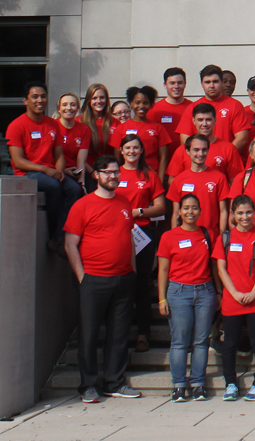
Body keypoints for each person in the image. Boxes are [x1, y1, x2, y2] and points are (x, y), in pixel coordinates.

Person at [62, 155, 141, 403]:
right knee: (89, 334)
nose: (113, 176)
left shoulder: (125, 203)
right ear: (96, 175)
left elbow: (128, 239)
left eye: (116, 172)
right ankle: (88, 384)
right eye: (107, 172)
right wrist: (83, 278)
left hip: (123, 278)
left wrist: (133, 271)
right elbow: (70, 244)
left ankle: (114, 382)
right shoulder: (82, 205)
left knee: (119, 334)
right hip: (94, 280)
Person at [214, 195, 255, 402]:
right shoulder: (225, 238)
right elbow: (221, 269)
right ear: (232, 215)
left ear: (254, 212)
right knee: (230, 343)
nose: (245, 216)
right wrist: (235, 293)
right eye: (240, 213)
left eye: (249, 212)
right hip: (233, 299)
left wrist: (253, 292)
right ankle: (230, 383)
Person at [157, 193, 217, 402]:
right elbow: (163, 270)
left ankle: (199, 384)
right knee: (180, 341)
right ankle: (179, 385)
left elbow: (215, 266)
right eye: (186, 208)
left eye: (194, 208)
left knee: (201, 341)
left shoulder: (207, 234)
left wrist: (217, 292)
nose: (190, 212)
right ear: (179, 211)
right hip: (178, 292)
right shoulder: (169, 236)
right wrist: (162, 298)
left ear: (200, 211)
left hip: (204, 291)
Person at [8, 82, 82, 246]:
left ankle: (64, 234)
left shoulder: (53, 123)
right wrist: (46, 171)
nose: (39, 100)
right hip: (28, 173)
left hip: (49, 172)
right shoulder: (16, 126)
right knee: (53, 187)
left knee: (74, 189)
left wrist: (60, 171)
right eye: (34, 96)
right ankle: (56, 238)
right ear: (25, 101)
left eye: (43, 96)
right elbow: (18, 161)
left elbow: (59, 154)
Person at [114, 135, 166, 353]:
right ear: (121, 150)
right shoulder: (113, 173)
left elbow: (161, 208)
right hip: (116, 234)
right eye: (128, 148)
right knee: (120, 285)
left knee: (142, 284)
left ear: (142, 150)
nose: (132, 151)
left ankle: (143, 333)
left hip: (142, 235)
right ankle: (120, 333)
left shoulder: (149, 175)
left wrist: (139, 211)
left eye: (136, 148)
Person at [176, 65, 251, 154]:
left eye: (215, 81)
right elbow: (185, 140)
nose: (211, 86)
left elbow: (241, 139)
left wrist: (223, 157)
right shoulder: (192, 108)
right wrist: (202, 158)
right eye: (207, 82)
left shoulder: (235, 105)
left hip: (225, 161)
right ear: (202, 84)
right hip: (199, 161)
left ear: (222, 82)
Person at [165, 135, 231, 232]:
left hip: (211, 236)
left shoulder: (219, 178)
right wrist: (175, 237)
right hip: (186, 237)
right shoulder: (178, 180)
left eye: (204, 150)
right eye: (196, 150)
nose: (200, 154)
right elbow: (175, 213)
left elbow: (223, 211)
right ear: (188, 151)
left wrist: (221, 237)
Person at [165, 103, 243, 180]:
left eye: (208, 120)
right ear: (193, 121)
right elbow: (173, 181)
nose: (204, 124)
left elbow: (235, 182)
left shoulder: (229, 149)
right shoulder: (183, 150)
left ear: (215, 120)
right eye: (200, 120)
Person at [110, 86, 171, 177]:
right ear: (131, 103)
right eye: (137, 102)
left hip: (152, 176)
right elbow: (117, 158)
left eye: (145, 103)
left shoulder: (158, 128)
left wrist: (160, 180)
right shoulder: (121, 129)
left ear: (150, 104)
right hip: (128, 176)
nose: (141, 106)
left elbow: (163, 158)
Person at [149, 67, 192, 157]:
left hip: (188, 159)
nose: (176, 86)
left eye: (180, 83)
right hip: (162, 161)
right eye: (172, 83)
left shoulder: (193, 107)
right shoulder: (154, 109)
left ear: (185, 84)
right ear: (165, 85)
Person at [55, 92, 92, 184]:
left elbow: (81, 159)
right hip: (54, 170)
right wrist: (63, 171)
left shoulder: (84, 129)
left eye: (73, 105)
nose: (69, 108)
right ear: (59, 109)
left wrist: (81, 180)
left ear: (77, 109)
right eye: (64, 105)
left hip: (74, 171)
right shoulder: (52, 126)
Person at [80, 83, 116, 159]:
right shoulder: (79, 121)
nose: (99, 101)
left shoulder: (115, 122)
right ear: (89, 100)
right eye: (94, 98)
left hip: (108, 168)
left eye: (102, 97)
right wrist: (91, 171)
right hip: (86, 168)